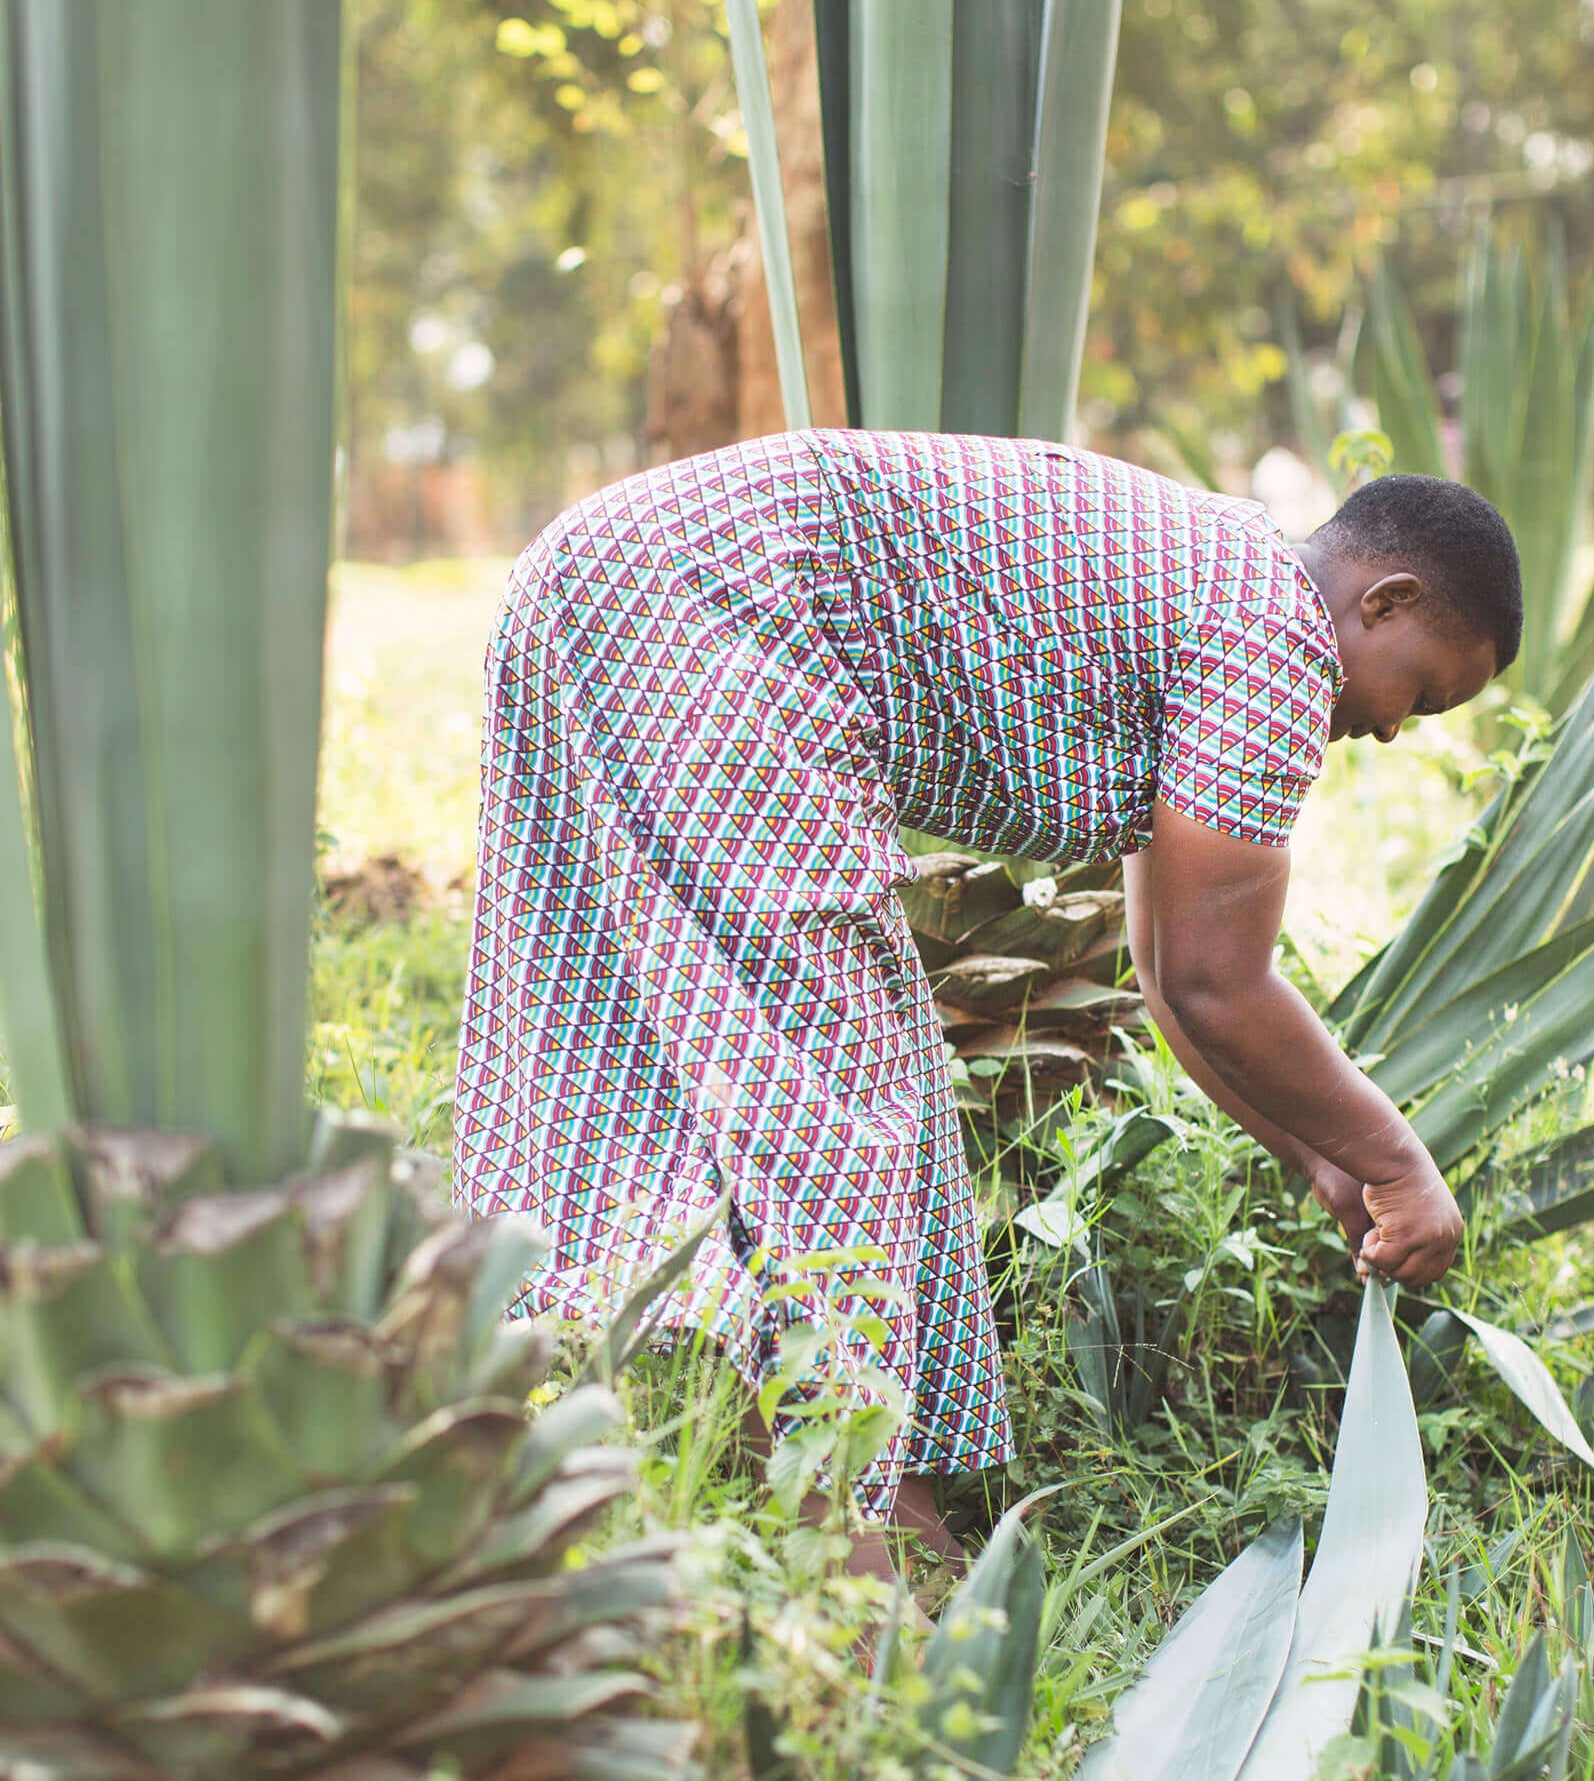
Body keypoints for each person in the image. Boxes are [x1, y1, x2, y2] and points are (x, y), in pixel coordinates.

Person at [453, 429, 1521, 1586]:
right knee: (832, 1116)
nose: (1388, 728)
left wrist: (1313, 1149)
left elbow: (1171, 982)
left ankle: (875, 1493)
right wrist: (1400, 1162)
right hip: (714, 612)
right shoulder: (1277, 641)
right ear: (1384, 599)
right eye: (1419, 690)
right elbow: (1222, 981)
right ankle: (835, 1551)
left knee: (860, 1076)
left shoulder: (1231, 581)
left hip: (620, 579)